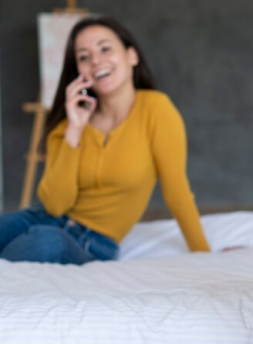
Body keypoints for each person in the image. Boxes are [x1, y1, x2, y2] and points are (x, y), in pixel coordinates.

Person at [0, 16, 210, 264]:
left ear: (131, 56)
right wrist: (74, 130)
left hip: (92, 242)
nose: (96, 60)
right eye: (84, 56)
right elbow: (55, 205)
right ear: (79, 71)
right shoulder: (68, 124)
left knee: (45, 242)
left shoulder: (157, 110)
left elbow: (177, 193)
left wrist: (206, 255)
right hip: (39, 218)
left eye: (105, 49)